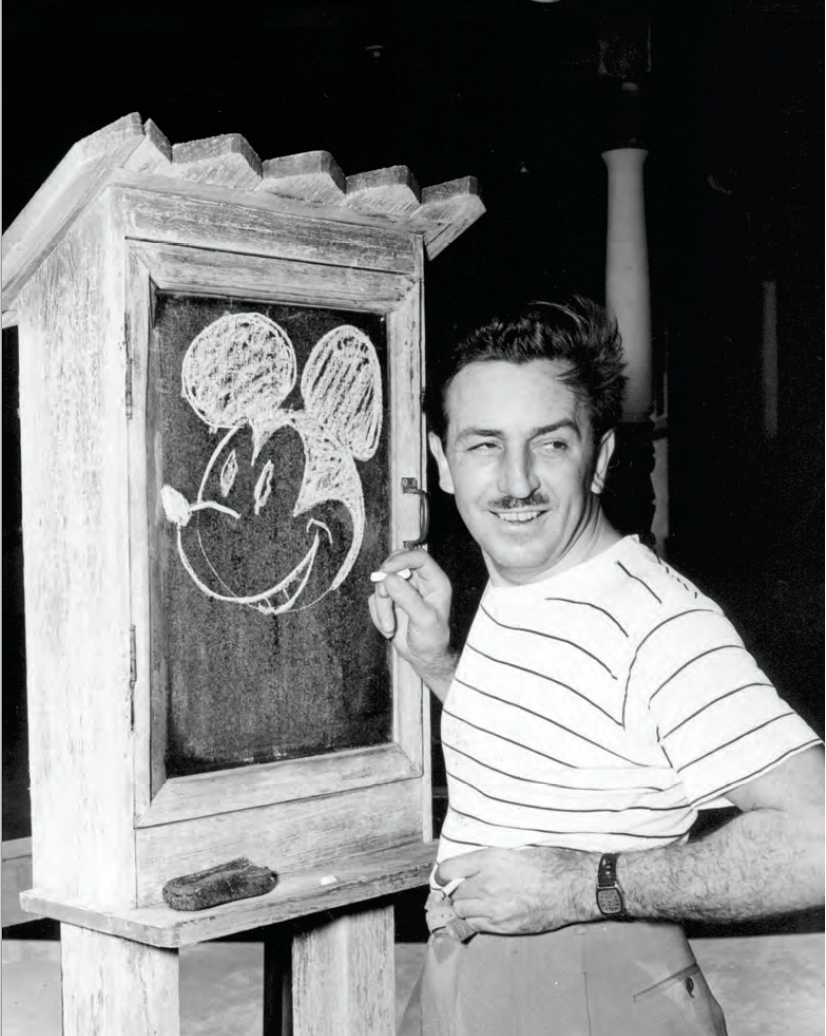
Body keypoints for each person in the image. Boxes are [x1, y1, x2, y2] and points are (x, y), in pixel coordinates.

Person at [368, 297, 824, 1036]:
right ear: (441, 460)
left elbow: (817, 839)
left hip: (597, 992)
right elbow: (577, 747)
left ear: (601, 457)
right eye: (485, 445)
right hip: (462, 978)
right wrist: (440, 664)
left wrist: (586, 885)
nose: (516, 483)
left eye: (550, 444)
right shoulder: (525, 578)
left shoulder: (661, 624)